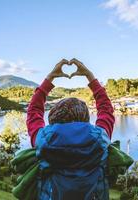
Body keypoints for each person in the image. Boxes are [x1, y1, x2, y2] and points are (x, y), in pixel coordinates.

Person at [26, 58, 115, 200]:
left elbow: (33, 113)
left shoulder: (43, 140)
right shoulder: (100, 139)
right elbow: (106, 111)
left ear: (53, 119)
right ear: (85, 118)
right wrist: (90, 76)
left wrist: (49, 79)